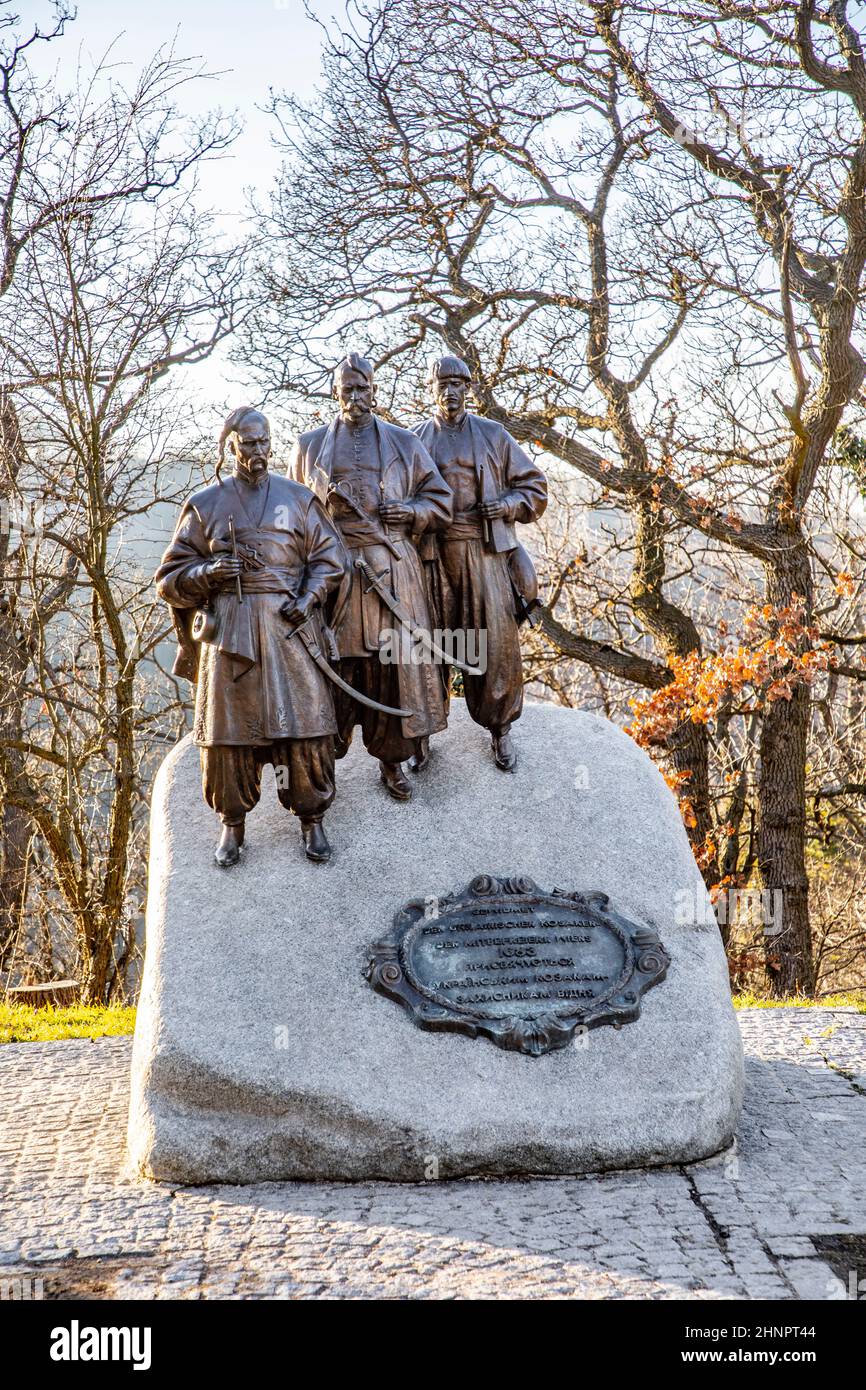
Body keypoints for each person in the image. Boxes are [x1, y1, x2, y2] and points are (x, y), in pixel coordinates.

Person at [156, 406, 349, 866]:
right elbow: (169, 578)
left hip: (289, 626)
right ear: (231, 446)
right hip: (232, 632)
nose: (259, 452)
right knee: (228, 734)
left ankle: (312, 819)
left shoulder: (298, 498)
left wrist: (308, 598)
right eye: (248, 444)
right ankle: (232, 823)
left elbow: (330, 559)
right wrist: (209, 571)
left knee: (306, 725)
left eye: (264, 442)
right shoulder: (205, 505)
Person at [290, 354, 453, 800]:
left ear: (374, 391)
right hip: (333, 574)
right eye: (347, 390)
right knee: (333, 664)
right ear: (335, 393)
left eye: (362, 389)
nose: (355, 397)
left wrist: (408, 512)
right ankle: (327, 762)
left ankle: (391, 761)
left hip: (390, 569)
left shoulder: (403, 443)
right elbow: (289, 518)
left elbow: (441, 503)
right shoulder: (308, 448)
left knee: (390, 668)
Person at [414, 354, 547, 771]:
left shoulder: (493, 435)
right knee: (426, 644)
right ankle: (421, 735)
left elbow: (535, 489)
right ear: (431, 390)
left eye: (457, 384)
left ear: (468, 388)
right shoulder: (413, 440)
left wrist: (506, 504)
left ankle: (500, 729)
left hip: (484, 550)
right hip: (431, 555)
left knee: (494, 644)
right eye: (442, 384)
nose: (449, 392)